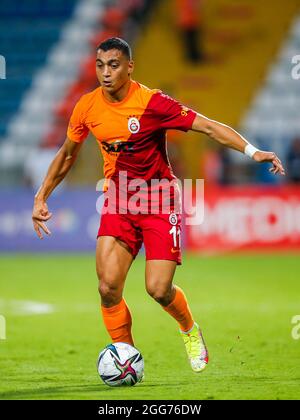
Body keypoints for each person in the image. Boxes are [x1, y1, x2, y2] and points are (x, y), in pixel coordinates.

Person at [32, 37, 285, 374]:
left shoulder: (152, 103)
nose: (105, 73)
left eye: (114, 65)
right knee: (107, 287)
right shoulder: (87, 107)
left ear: (129, 67)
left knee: (158, 288)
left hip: (158, 201)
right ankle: (127, 359)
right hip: (119, 201)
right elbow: (67, 154)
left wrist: (254, 152)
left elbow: (208, 127)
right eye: (100, 65)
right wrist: (41, 195)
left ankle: (189, 330)